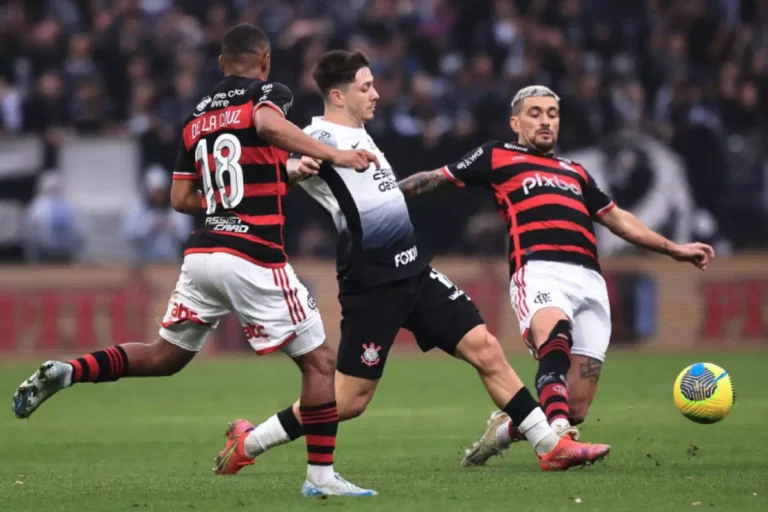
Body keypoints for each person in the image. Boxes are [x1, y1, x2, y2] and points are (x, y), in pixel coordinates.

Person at [11, 24, 380, 498]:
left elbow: (182, 197)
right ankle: (321, 480)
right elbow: (267, 125)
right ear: (263, 61)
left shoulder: (195, 116)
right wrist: (336, 154)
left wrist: (276, 175)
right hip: (253, 255)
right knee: (320, 364)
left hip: (203, 254)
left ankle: (70, 370)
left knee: (165, 356)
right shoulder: (269, 92)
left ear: (222, 64)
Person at [213, 51, 611, 476]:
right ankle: (250, 441)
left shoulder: (360, 133)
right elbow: (274, 171)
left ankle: (550, 446)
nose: (376, 94)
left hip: (415, 270)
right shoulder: (317, 138)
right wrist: (295, 167)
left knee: (486, 349)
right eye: (365, 87)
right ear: (338, 95)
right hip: (373, 282)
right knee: (349, 401)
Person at [396, 85, 716, 466]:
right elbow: (436, 178)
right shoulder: (497, 155)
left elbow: (617, 218)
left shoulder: (575, 172)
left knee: (576, 402)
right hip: (539, 269)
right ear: (516, 122)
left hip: (590, 281)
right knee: (555, 340)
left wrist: (672, 247)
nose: (545, 120)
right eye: (535, 113)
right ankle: (559, 439)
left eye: (552, 113)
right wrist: (381, 200)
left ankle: (507, 429)